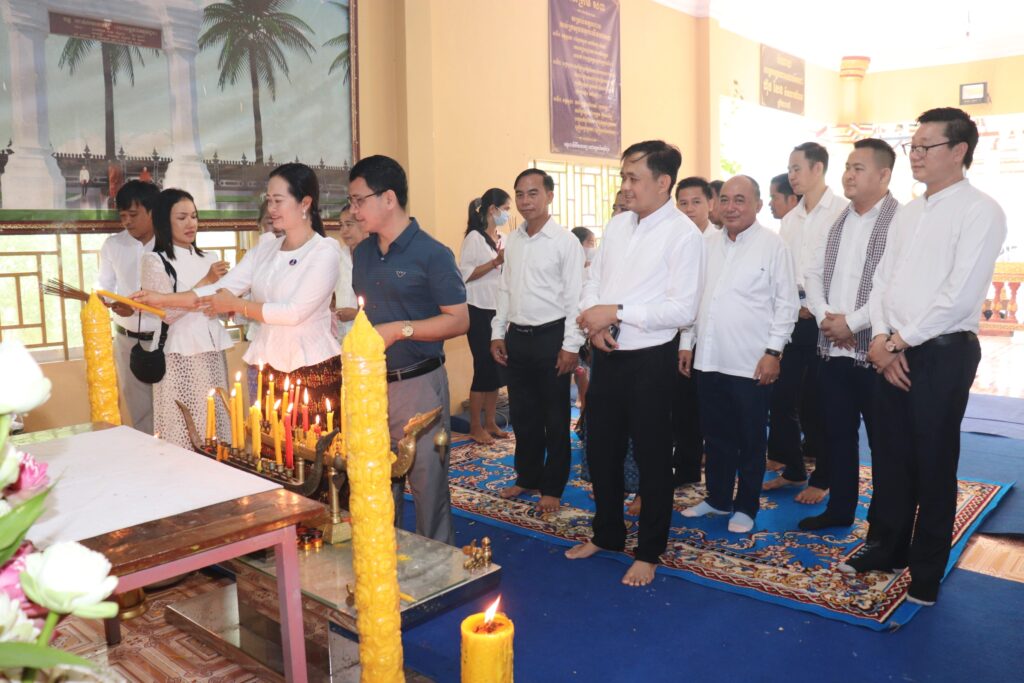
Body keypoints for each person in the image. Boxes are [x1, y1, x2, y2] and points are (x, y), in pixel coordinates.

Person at [847, 108, 1007, 607]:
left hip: (942, 353)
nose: (914, 155)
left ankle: (926, 570)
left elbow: (959, 296)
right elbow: (882, 282)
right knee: (890, 457)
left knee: (933, 461)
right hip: (892, 347)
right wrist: (881, 339)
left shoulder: (981, 211)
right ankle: (887, 547)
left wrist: (898, 342)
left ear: (958, 151)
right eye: (911, 147)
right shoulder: (909, 213)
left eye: (925, 147)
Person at [567, 140, 704, 587]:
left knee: (652, 456)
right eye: (623, 176)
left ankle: (649, 551)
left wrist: (617, 312)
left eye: (633, 178)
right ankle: (607, 534)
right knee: (601, 450)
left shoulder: (684, 235)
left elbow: (682, 309)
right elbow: (593, 281)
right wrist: (594, 321)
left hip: (651, 360)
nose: (625, 186)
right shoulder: (619, 224)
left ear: (663, 182)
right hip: (607, 353)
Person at [134, 163, 343, 426]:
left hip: (311, 368)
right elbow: (218, 290)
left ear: (305, 203)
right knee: (270, 445)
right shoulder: (266, 249)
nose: (271, 208)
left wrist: (237, 305)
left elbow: (293, 312)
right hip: (270, 367)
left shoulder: (324, 251)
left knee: (311, 446)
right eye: (269, 200)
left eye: (278, 200)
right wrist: (160, 299)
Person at [349, 154, 469, 545]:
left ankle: (439, 566)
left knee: (428, 486)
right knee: (380, 486)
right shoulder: (363, 253)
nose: (353, 211)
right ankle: (387, 561)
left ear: (388, 198)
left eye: (359, 200)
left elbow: (458, 320)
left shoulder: (432, 254)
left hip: (418, 386)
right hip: (371, 385)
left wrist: (400, 331)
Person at [681, 175, 798, 533]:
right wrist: (687, 342)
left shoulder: (773, 246)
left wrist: (773, 352)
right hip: (708, 358)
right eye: (725, 200)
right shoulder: (708, 245)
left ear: (757, 205)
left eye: (740, 200)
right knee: (715, 437)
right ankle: (718, 499)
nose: (731, 207)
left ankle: (746, 506)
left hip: (751, 362)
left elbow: (787, 305)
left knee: (750, 439)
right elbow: (694, 298)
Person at [798, 139, 900, 531]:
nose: (849, 175)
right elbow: (812, 273)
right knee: (837, 436)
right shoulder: (837, 218)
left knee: (884, 442)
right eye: (847, 167)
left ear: (884, 174)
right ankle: (840, 510)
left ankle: (883, 522)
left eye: (859, 168)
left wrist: (851, 323)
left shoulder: (901, 221)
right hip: (833, 348)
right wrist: (826, 316)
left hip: (876, 350)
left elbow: (892, 287)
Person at [491, 169, 584, 514]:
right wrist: (497, 333)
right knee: (523, 413)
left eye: (533, 193)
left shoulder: (565, 242)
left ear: (549, 196)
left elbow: (575, 297)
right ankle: (527, 475)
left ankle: (552, 486)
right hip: (518, 337)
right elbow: (504, 290)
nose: (525, 201)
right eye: (520, 194)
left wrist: (571, 346)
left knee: (555, 417)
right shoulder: (513, 241)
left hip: (552, 337)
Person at [767, 142, 845, 503]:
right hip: (792, 317)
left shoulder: (842, 212)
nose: (792, 176)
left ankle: (823, 478)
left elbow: (843, 271)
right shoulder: (790, 219)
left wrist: (815, 306)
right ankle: (794, 469)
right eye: (789, 169)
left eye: (797, 168)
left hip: (826, 318)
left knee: (820, 402)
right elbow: (784, 271)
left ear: (818, 169)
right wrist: (791, 306)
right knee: (781, 397)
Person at [142, 188, 233, 450]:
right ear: (164, 221)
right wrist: (206, 281)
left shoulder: (209, 258)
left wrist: (228, 305)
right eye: (182, 218)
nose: (191, 223)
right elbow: (166, 314)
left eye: (194, 216)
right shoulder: (154, 260)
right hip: (178, 354)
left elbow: (219, 305)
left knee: (217, 420)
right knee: (184, 423)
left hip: (211, 351)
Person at [97, 180, 161, 433]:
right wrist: (110, 302)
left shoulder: (172, 244)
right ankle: (148, 456)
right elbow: (104, 286)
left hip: (165, 338)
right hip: (127, 340)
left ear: (152, 211)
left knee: (172, 408)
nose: (127, 222)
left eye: (133, 215)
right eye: (122, 216)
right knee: (140, 411)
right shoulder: (113, 245)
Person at [671, 176, 716, 487]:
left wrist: (688, 339)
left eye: (696, 202)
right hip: (675, 335)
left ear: (710, 204)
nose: (689, 209)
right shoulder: (675, 240)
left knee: (711, 409)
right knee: (682, 407)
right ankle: (686, 468)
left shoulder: (720, 243)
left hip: (708, 337)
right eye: (683, 203)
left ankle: (716, 474)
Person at [459, 189, 509, 444]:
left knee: (496, 368)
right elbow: (465, 274)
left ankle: (491, 422)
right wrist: (495, 262)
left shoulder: (503, 238)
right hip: (477, 308)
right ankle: (475, 426)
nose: (507, 214)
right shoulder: (474, 238)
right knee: (483, 367)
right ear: (493, 209)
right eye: (505, 209)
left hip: (498, 309)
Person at [332, 202, 359, 344]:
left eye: (349, 224)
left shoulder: (377, 257)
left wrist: (356, 314)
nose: (343, 231)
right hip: (341, 335)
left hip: (368, 334)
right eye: (341, 225)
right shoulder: (337, 256)